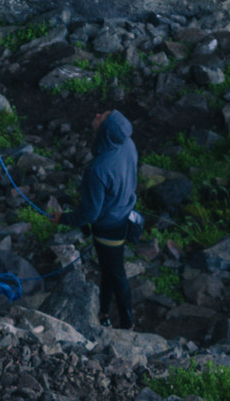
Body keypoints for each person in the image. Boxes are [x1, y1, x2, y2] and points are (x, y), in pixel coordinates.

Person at [54, 108, 138, 330]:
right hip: (123, 215)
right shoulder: (128, 144)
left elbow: (89, 214)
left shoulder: (98, 169)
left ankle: (127, 324)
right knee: (109, 268)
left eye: (103, 117)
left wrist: (63, 219)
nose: (98, 114)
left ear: (106, 131)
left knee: (116, 272)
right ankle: (104, 312)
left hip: (107, 228)